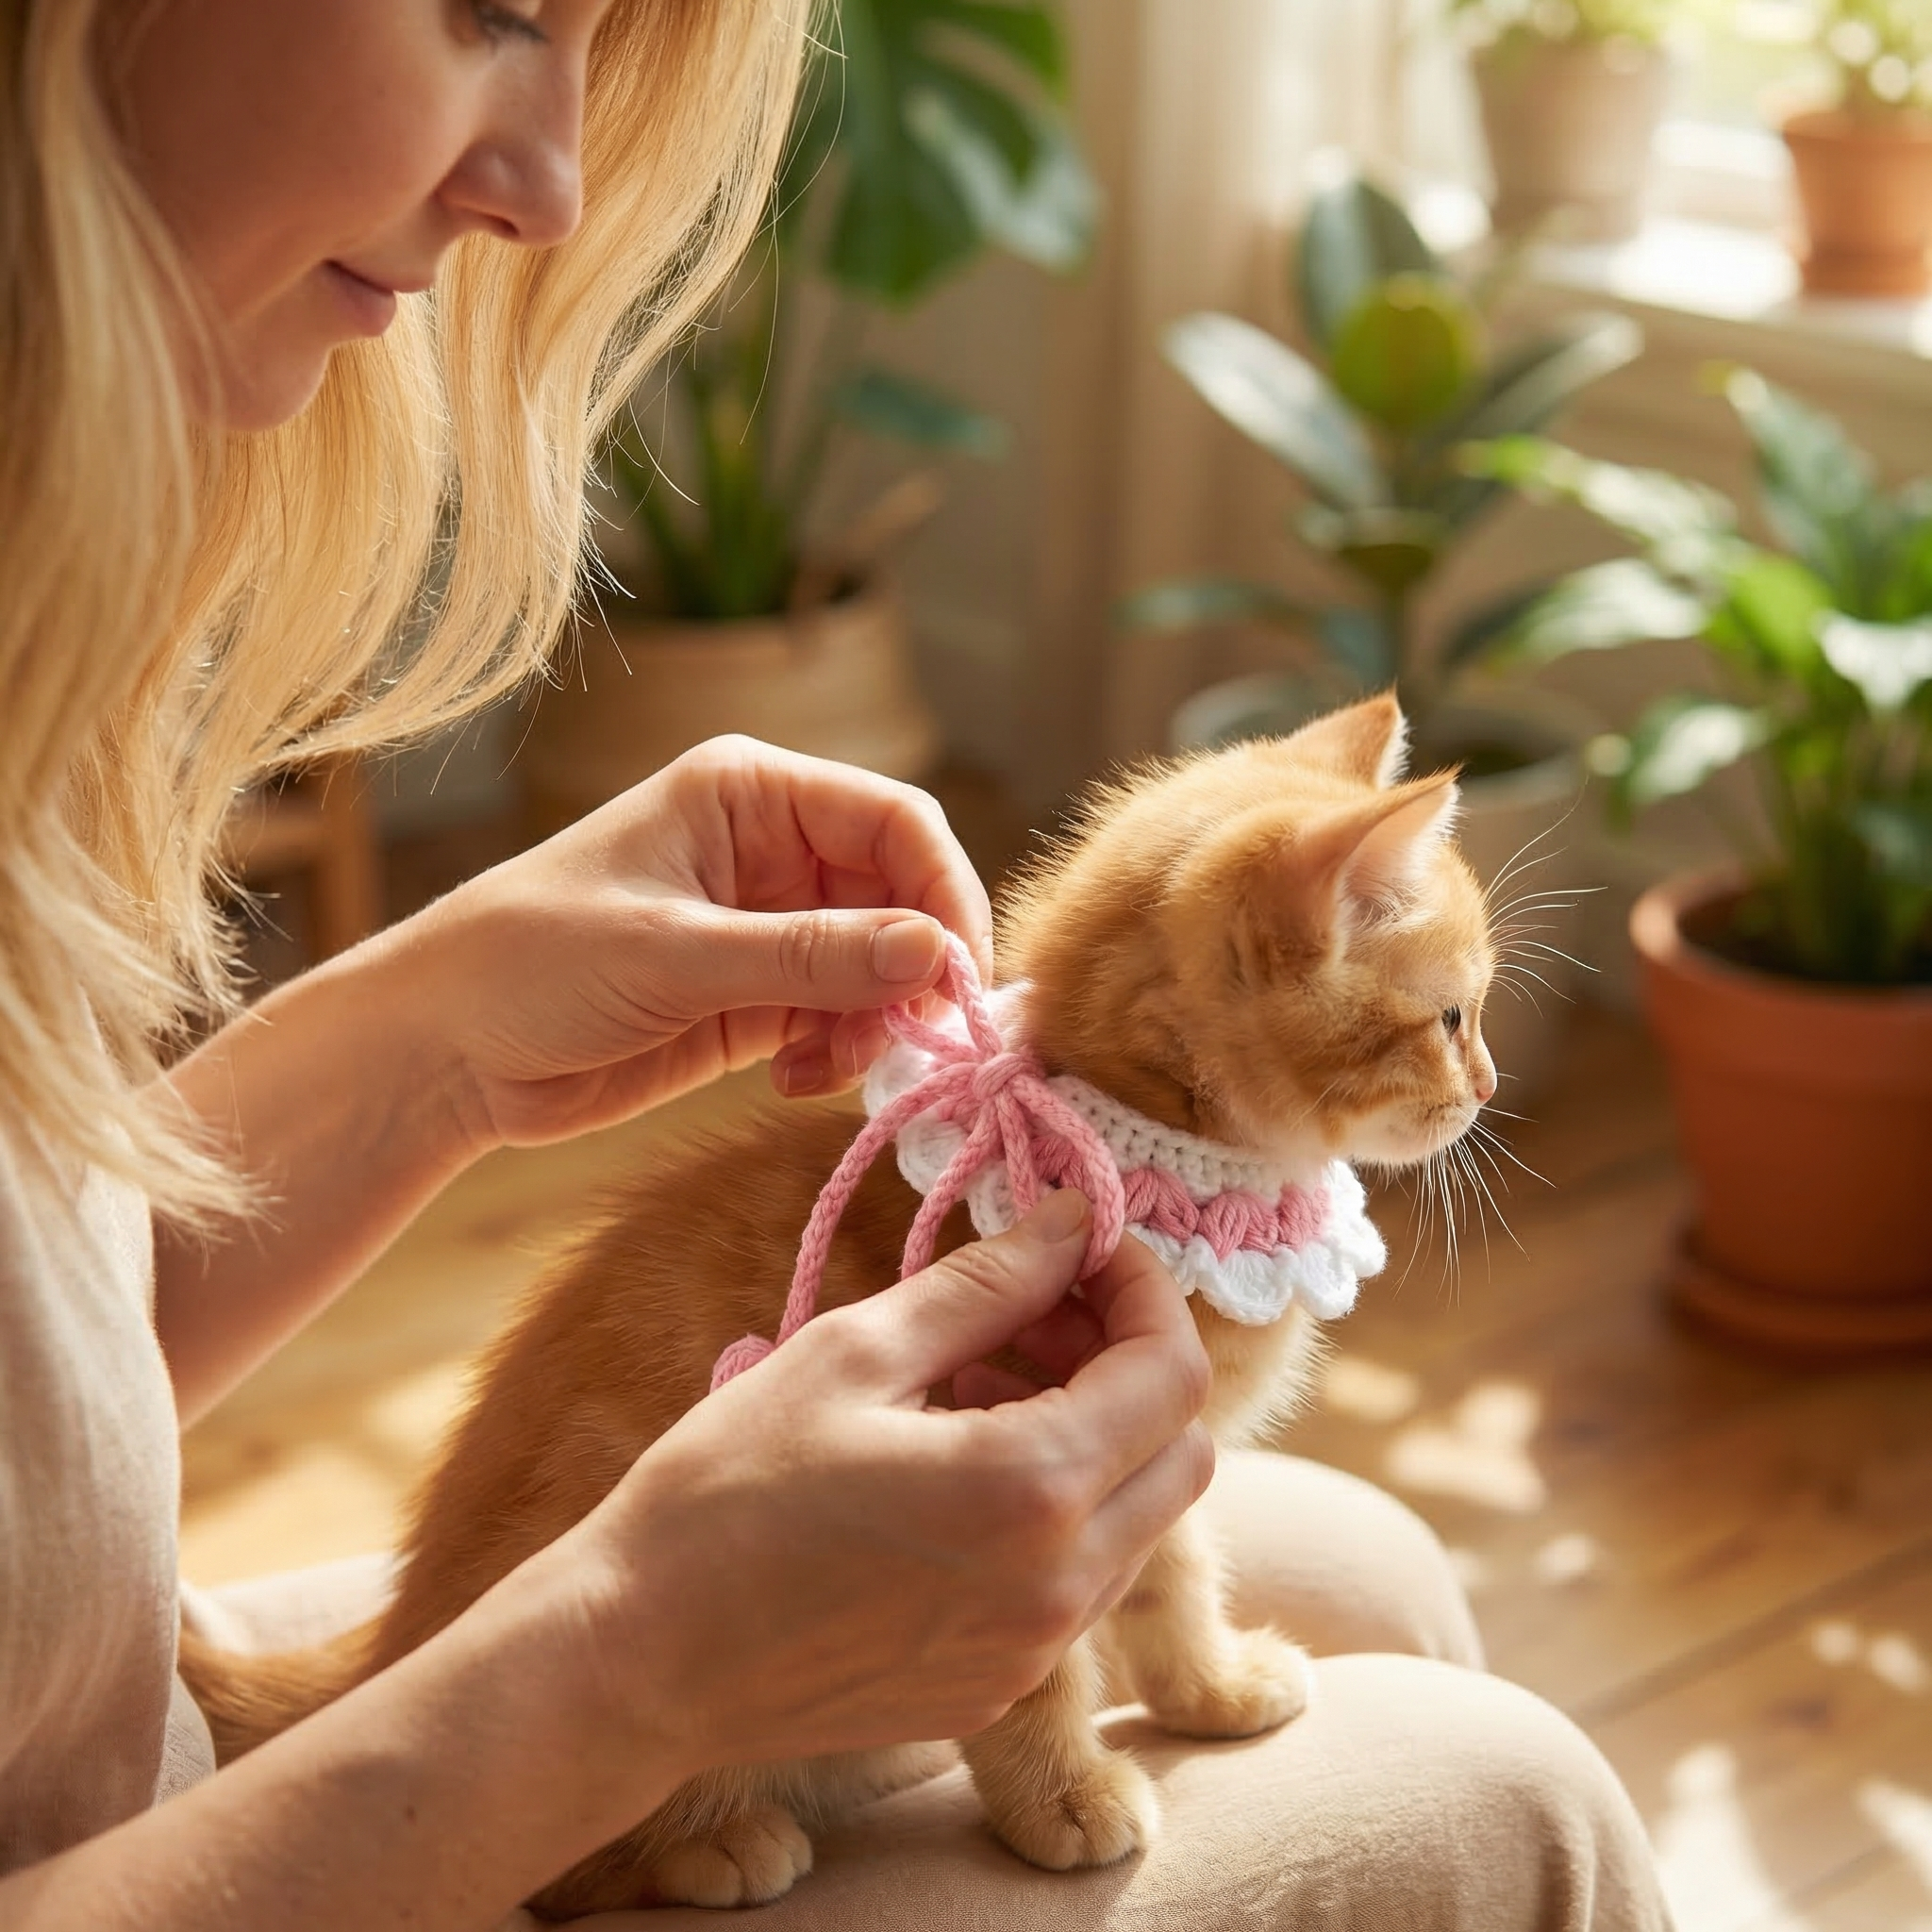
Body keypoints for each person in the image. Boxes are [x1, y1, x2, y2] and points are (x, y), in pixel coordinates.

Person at [0, 2, 1674, 1926]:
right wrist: (629, 1673)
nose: (548, 188)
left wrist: (436, 1040)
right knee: (1512, 1793)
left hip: (100, 1710)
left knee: (1354, 1566)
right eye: (491, 9)